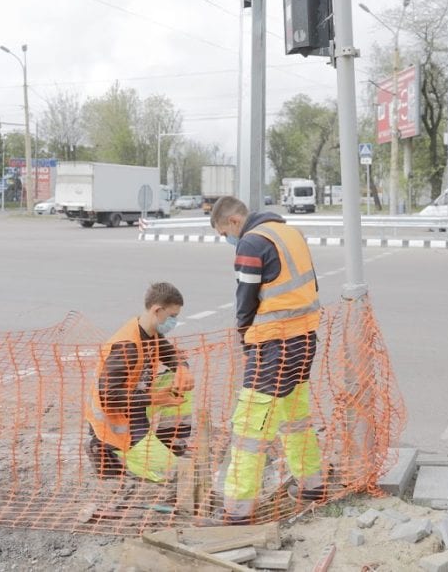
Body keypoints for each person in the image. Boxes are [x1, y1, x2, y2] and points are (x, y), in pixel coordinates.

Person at [210, 195, 325, 524]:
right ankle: (311, 485)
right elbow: (311, 283)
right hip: (304, 338)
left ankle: (237, 510)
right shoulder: (290, 232)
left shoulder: (251, 242)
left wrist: (244, 334)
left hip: (274, 344)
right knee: (295, 417)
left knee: (249, 428)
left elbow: (245, 298)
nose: (227, 240)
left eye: (223, 233)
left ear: (234, 221)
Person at [84, 282, 195, 483]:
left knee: (177, 379)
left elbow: (171, 354)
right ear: (157, 310)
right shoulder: (126, 346)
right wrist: (154, 398)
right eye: (172, 316)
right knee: (170, 473)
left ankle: (170, 441)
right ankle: (106, 450)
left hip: (137, 404)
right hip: (115, 419)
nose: (174, 321)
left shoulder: (150, 332)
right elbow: (108, 398)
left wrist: (182, 368)